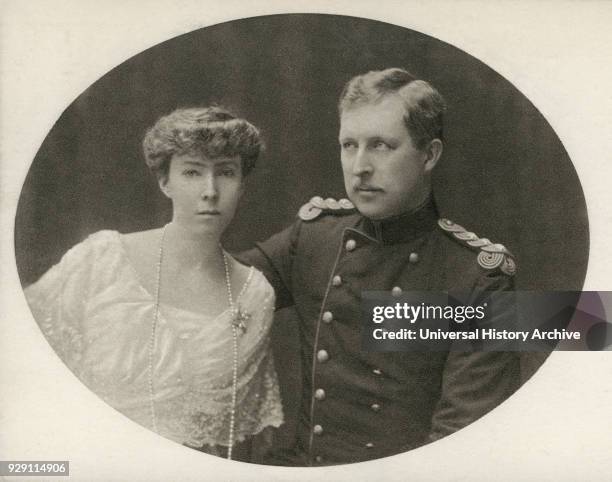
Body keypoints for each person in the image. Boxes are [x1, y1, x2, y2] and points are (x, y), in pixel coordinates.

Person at [238, 68, 520, 465]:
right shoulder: (314, 238)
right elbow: (216, 288)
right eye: (349, 145)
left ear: (430, 155)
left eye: (382, 146)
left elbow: (462, 442)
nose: (359, 167)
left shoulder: (477, 277)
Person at [24, 106, 283, 461]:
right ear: (165, 182)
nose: (210, 190)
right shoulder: (102, 260)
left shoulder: (254, 294)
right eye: (192, 172)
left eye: (226, 173)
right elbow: (22, 368)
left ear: (242, 185)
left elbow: (246, 438)